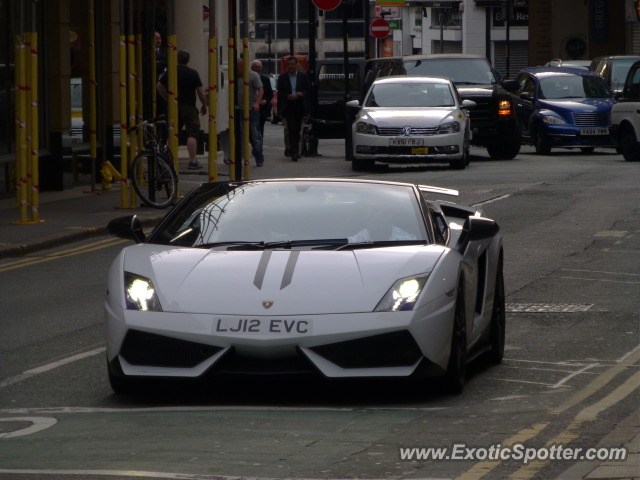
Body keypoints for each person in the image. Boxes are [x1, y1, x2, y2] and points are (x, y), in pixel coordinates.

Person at [157, 50, 207, 170]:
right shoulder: (193, 73)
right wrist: (204, 105)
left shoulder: (171, 72)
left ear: (177, 59)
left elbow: (159, 86)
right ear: (188, 60)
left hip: (174, 106)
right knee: (192, 133)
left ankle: (167, 160)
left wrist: (167, 98)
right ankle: (193, 161)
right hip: (189, 107)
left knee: (172, 133)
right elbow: (200, 91)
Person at [277, 56, 310, 162]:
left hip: (299, 105)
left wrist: (302, 94)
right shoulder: (282, 77)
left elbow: (308, 90)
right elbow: (280, 93)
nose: (290, 66)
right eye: (289, 64)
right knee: (292, 129)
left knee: (298, 129)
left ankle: (293, 149)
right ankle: (295, 152)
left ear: (296, 65)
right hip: (289, 106)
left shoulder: (303, 76)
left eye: (292, 64)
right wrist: (287, 97)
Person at [237, 58, 265, 167]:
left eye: (237, 67)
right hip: (239, 110)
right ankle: (240, 157)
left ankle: (259, 158)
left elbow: (261, 90)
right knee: (241, 134)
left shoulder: (253, 76)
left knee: (254, 135)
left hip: (251, 110)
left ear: (241, 66)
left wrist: (257, 103)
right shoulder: (235, 77)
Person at [251, 60, 274, 141]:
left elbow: (270, 93)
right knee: (252, 130)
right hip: (251, 108)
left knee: (260, 129)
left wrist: (264, 101)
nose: (258, 69)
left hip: (262, 109)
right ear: (252, 68)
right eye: (256, 67)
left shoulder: (265, 79)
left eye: (259, 67)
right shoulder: (248, 79)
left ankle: (259, 149)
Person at [154, 32, 168, 117]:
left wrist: (159, 63)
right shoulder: (147, 51)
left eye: (159, 38)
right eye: (156, 39)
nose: (158, 40)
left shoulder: (165, 52)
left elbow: (168, 62)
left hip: (163, 85)